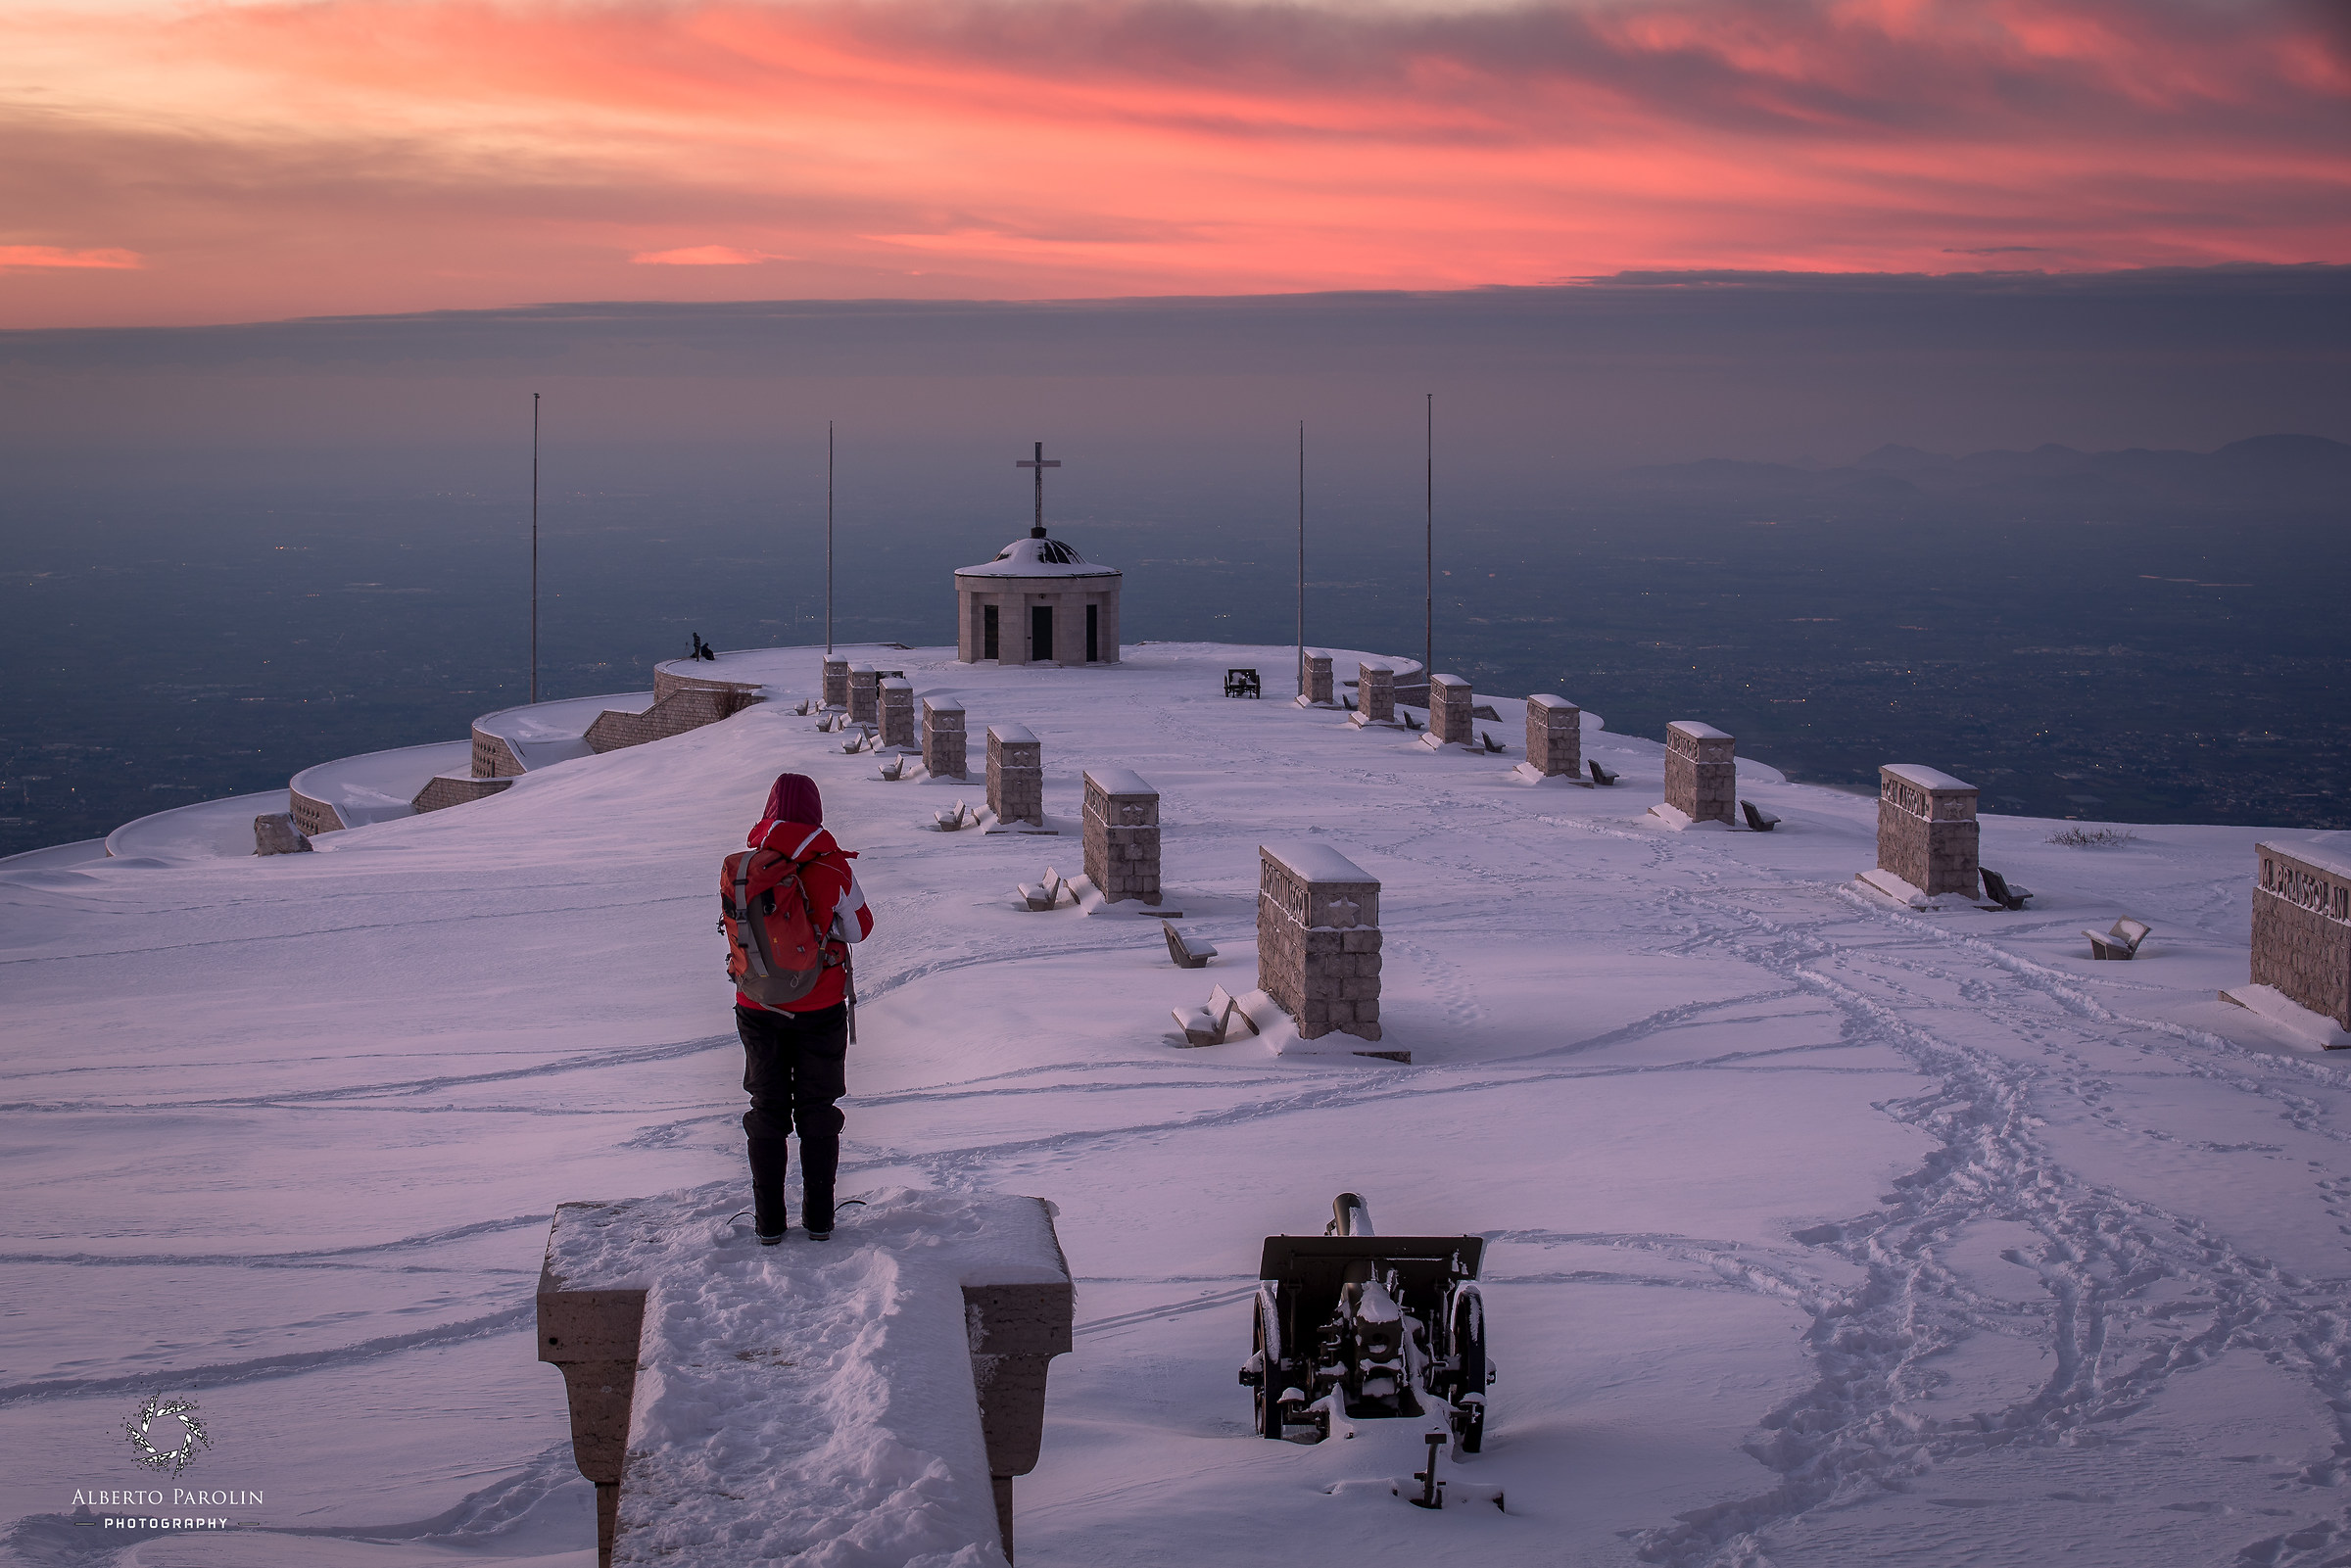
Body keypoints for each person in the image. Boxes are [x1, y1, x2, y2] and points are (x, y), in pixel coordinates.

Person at [735, 772, 872, 1242]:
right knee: (817, 1107)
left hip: (756, 1002)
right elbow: (860, 928)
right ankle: (819, 1221)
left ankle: (769, 1223)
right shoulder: (832, 866)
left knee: (766, 1107)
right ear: (815, 811)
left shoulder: (746, 866)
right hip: (820, 1004)